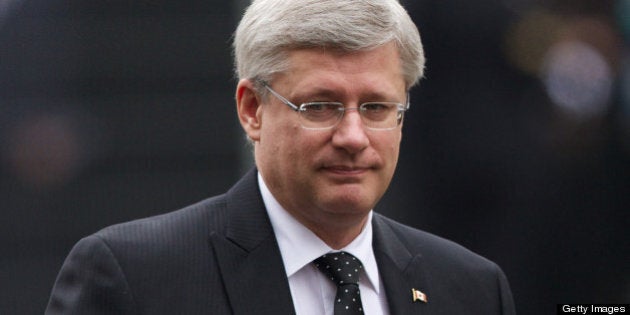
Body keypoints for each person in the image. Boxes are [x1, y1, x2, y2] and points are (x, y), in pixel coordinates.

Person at [46, 0, 516, 314]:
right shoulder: (133, 277)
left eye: (376, 108)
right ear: (252, 110)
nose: (353, 136)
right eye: (320, 107)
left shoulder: (471, 289)